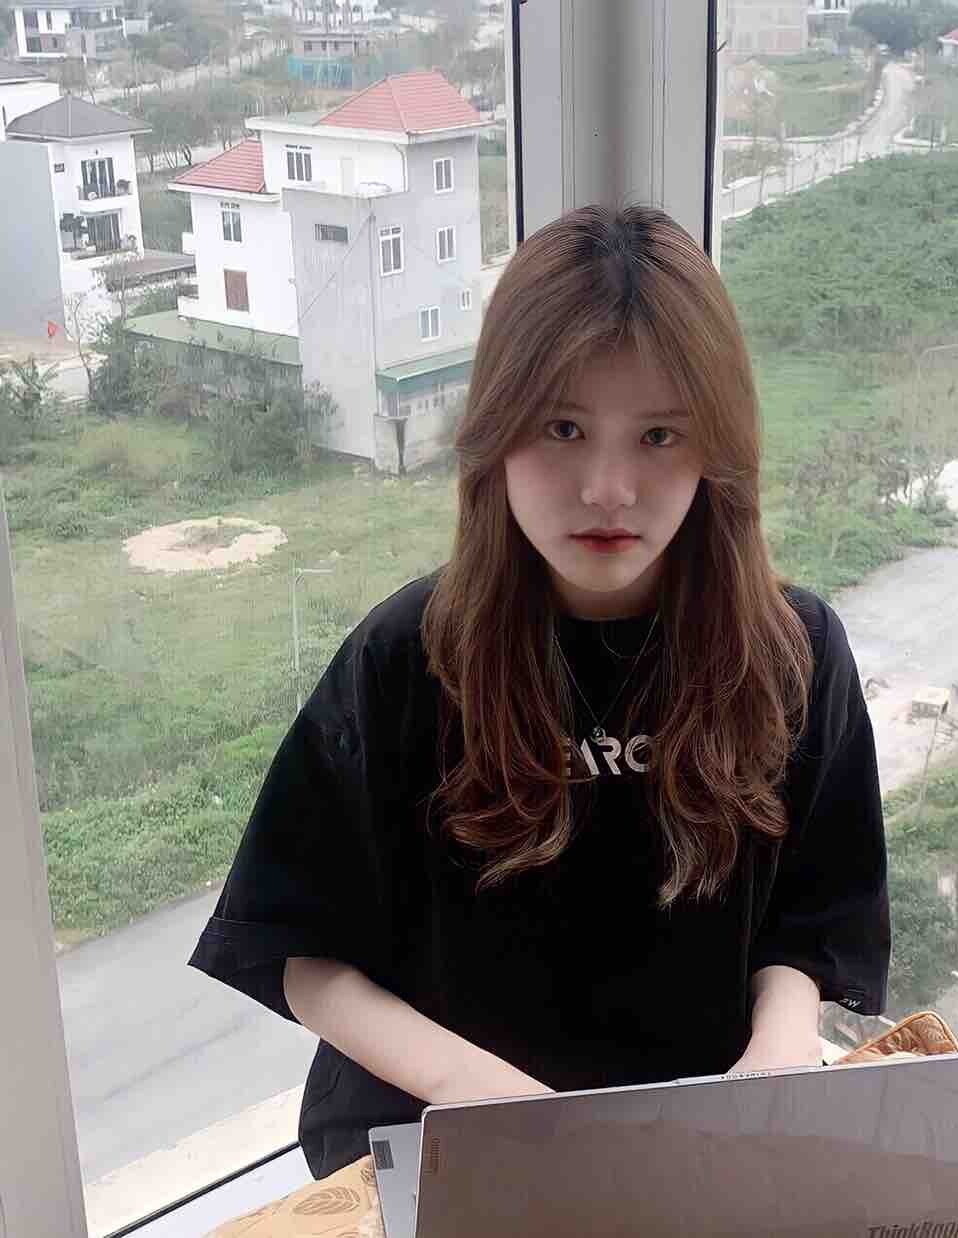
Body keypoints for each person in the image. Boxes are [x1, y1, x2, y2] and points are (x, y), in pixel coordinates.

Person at [189, 203, 891, 1180]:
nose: (607, 488)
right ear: (497, 430)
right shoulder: (409, 655)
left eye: (659, 435)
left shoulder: (790, 650)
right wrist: (492, 1098)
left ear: (718, 447)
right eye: (563, 427)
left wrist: (774, 1057)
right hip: (441, 1133)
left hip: (692, 1140)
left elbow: (814, 919)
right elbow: (299, 951)